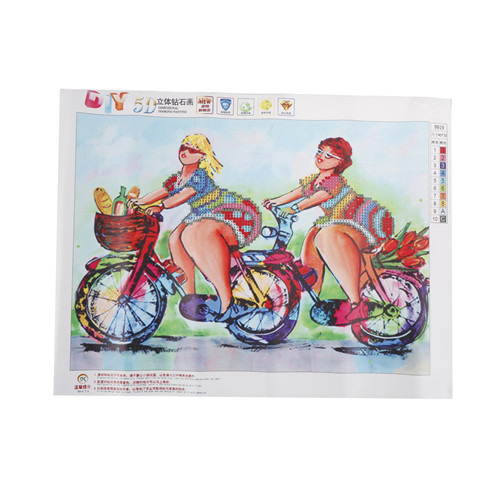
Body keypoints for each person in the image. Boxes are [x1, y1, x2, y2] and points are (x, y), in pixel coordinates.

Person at [128, 133, 261, 318]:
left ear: (201, 156)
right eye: (184, 147)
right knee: (175, 239)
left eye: (192, 150)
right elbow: (164, 191)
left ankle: (227, 302)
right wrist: (141, 201)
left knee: (193, 235)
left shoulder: (199, 176)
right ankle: (190, 297)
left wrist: (161, 206)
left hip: (226, 212)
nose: (185, 152)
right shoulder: (178, 178)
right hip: (201, 214)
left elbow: (184, 195)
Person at [263, 137, 393, 322]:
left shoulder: (334, 181)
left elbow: (320, 196)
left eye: (328, 155)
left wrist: (295, 208)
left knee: (325, 236)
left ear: (340, 162)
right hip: (338, 221)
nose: (321, 157)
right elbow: (299, 192)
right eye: (319, 152)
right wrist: (275, 201)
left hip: (361, 222)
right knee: (312, 237)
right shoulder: (315, 179)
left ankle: (356, 303)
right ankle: (312, 293)